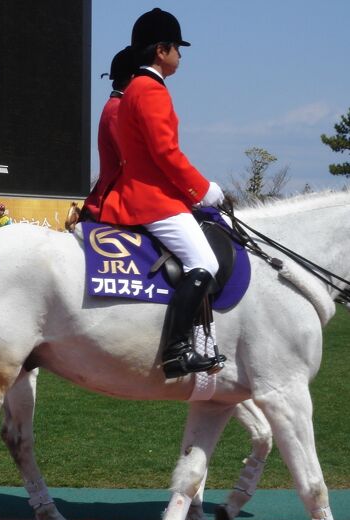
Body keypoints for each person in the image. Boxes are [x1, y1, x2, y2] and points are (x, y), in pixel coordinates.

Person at [100, 8, 226, 379]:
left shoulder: (135, 89)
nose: (180, 56)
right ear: (161, 50)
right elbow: (166, 153)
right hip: (152, 199)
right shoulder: (150, 90)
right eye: (177, 48)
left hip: (146, 193)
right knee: (206, 263)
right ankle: (175, 352)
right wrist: (204, 190)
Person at [80, 46, 137, 221]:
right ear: (133, 78)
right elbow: (130, 160)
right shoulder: (117, 110)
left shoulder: (118, 106)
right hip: (115, 199)